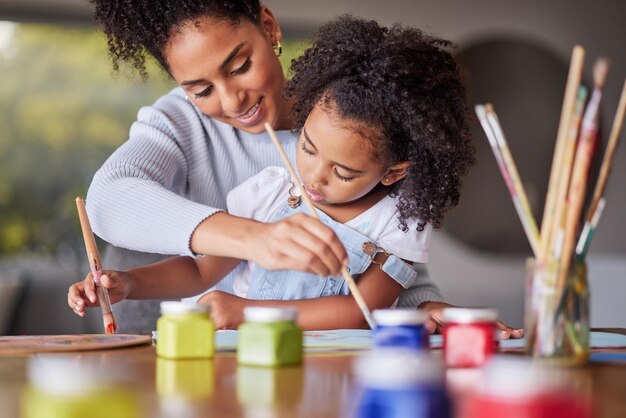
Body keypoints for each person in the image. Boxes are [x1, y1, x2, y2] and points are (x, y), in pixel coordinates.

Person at [70, 15, 522, 336]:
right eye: (201, 89)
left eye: (240, 66)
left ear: (269, 28)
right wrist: (131, 283)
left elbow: (368, 302)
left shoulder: (348, 133)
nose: (231, 101)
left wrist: (419, 308)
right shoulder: (272, 186)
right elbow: (127, 215)